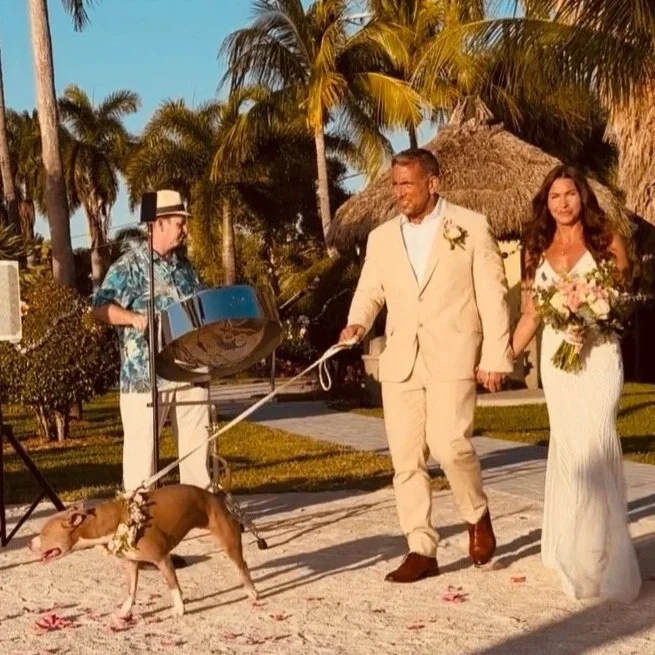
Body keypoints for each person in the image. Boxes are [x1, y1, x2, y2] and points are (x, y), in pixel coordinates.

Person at [340, 148, 513, 583]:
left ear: (432, 183)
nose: (399, 193)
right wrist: (357, 322)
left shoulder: (471, 227)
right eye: (395, 185)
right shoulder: (380, 237)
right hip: (399, 360)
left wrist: (496, 354)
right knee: (405, 460)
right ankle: (421, 548)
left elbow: (493, 296)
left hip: (453, 354)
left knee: (449, 444)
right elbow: (370, 290)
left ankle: (477, 514)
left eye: (407, 185)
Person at [511, 164, 641, 602]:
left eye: (569, 194)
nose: (563, 202)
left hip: (600, 354)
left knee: (597, 439)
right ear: (546, 204)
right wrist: (504, 354)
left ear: (582, 198)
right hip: (557, 359)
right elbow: (531, 312)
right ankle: (571, 544)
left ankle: (605, 552)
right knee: (569, 443)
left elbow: (622, 302)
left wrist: (594, 313)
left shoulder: (607, 243)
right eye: (554, 196)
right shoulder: (535, 249)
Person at [92, 189, 212, 494]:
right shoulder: (129, 266)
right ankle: (138, 517)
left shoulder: (185, 268)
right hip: (145, 378)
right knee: (142, 461)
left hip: (190, 370)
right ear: (157, 224)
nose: (185, 229)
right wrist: (131, 318)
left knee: (197, 453)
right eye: (179, 223)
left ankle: (197, 511)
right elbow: (100, 308)